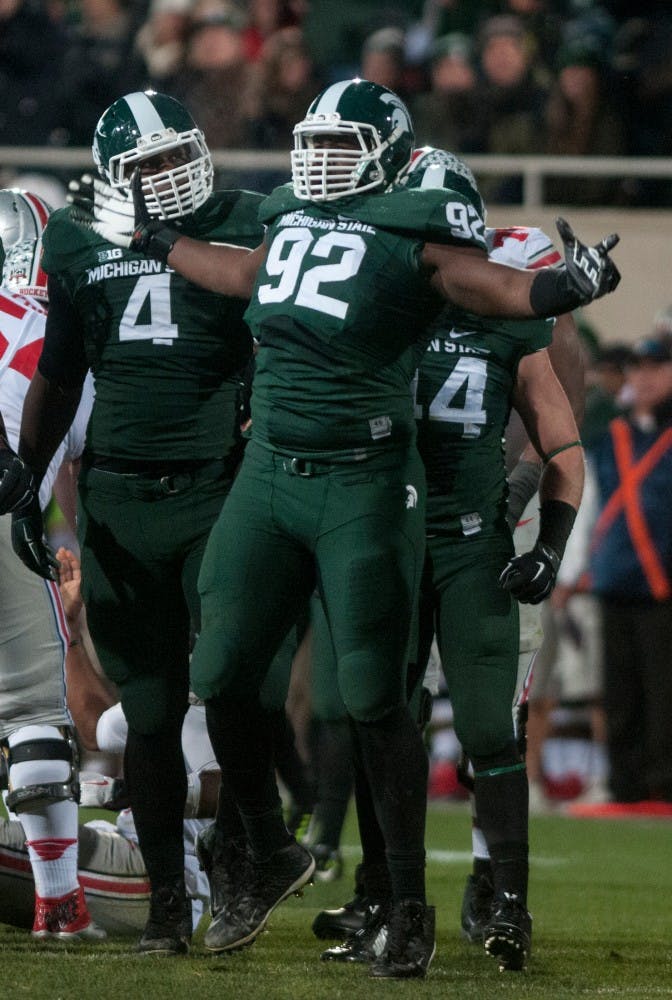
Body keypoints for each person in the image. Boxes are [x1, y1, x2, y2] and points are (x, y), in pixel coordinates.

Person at [67, 78, 619, 979]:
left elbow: (492, 285)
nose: (319, 159)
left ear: (393, 155)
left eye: (342, 143)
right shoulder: (286, 215)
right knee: (221, 670)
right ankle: (268, 846)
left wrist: (565, 284)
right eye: (314, 140)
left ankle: (405, 901)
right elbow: (239, 274)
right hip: (270, 473)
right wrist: (159, 239)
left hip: (366, 482)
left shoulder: (414, 227)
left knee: (371, 694)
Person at [317, 147, 585, 975]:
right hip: (388, 537)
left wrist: (540, 531)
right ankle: (387, 897)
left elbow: (559, 429)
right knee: (377, 714)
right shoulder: (375, 295)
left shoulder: (513, 294)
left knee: (488, 724)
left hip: (477, 539)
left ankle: (500, 896)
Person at [15, 90, 266, 957]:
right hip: (121, 497)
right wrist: (27, 483)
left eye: (176, 154)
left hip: (222, 488)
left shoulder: (247, 220)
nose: (168, 173)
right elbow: (57, 370)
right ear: (117, 175)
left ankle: (247, 851)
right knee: (149, 716)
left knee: (238, 679)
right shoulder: (78, 239)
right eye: (148, 163)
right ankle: (169, 902)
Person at [0, 188, 102, 941]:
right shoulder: (75, 330)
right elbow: (74, 463)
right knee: (34, 718)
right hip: (5, 508)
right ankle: (59, 904)